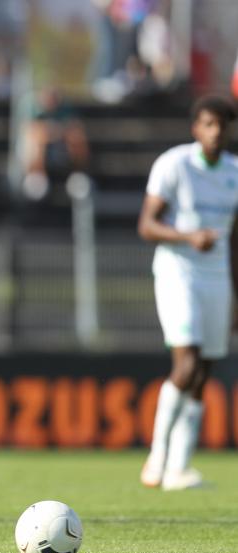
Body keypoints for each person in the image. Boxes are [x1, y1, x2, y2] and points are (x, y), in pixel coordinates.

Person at [137, 95, 238, 491]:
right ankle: (157, 455)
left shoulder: (234, 172)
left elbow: (234, 243)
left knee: (205, 371)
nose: (215, 133)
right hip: (178, 273)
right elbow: (147, 225)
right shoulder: (174, 165)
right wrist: (187, 236)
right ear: (196, 128)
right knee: (187, 365)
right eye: (208, 125)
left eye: (222, 126)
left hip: (217, 280)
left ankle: (179, 468)